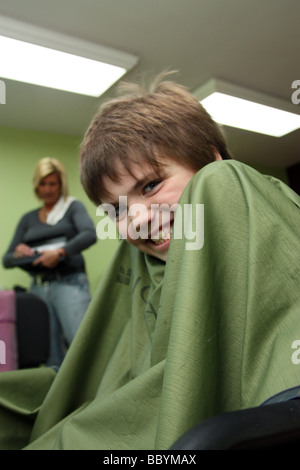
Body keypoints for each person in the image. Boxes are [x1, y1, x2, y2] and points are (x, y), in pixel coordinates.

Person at [0, 73, 300, 450]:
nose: (138, 219)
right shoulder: (140, 263)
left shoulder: (227, 183)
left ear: (211, 157)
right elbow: (106, 373)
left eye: (150, 185)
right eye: (118, 211)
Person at [2, 157, 97, 367]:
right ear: (36, 186)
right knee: (48, 353)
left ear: (61, 184)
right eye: (43, 184)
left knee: (81, 345)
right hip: (38, 289)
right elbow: (6, 259)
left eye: (52, 183)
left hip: (70, 285)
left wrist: (61, 252)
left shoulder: (72, 208)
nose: (47, 189)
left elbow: (89, 234)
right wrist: (19, 253)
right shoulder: (28, 219)